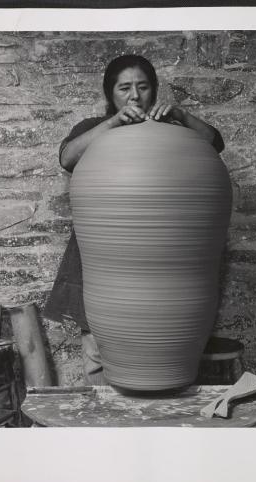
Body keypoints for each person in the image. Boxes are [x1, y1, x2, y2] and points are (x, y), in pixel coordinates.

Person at [43, 54, 225, 384]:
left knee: (162, 363)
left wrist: (181, 114)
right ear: (110, 94)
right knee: (100, 360)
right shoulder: (92, 130)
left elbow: (215, 142)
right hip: (102, 268)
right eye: (124, 88)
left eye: (142, 87)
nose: (134, 96)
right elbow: (67, 157)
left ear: (154, 91)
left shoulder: (174, 128)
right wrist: (113, 123)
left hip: (167, 278)